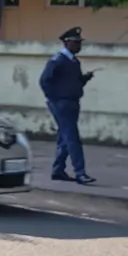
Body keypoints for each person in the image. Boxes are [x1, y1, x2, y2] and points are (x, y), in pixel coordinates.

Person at [39, 26, 96, 185]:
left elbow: (74, 83)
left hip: (72, 102)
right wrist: (54, 99)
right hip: (62, 104)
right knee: (72, 138)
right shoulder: (57, 60)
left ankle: (58, 170)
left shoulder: (74, 61)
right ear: (66, 43)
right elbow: (44, 81)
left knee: (65, 137)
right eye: (75, 42)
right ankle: (80, 172)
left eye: (79, 42)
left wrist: (84, 79)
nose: (79, 45)